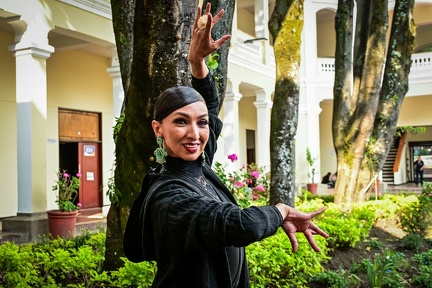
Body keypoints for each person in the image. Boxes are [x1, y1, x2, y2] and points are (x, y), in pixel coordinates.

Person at [123, 3, 329, 287]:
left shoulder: (196, 165)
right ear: (158, 129)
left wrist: (197, 63)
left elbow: (209, 105)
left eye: (202, 123)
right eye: (181, 122)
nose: (194, 134)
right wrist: (280, 211)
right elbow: (233, 224)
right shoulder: (167, 197)